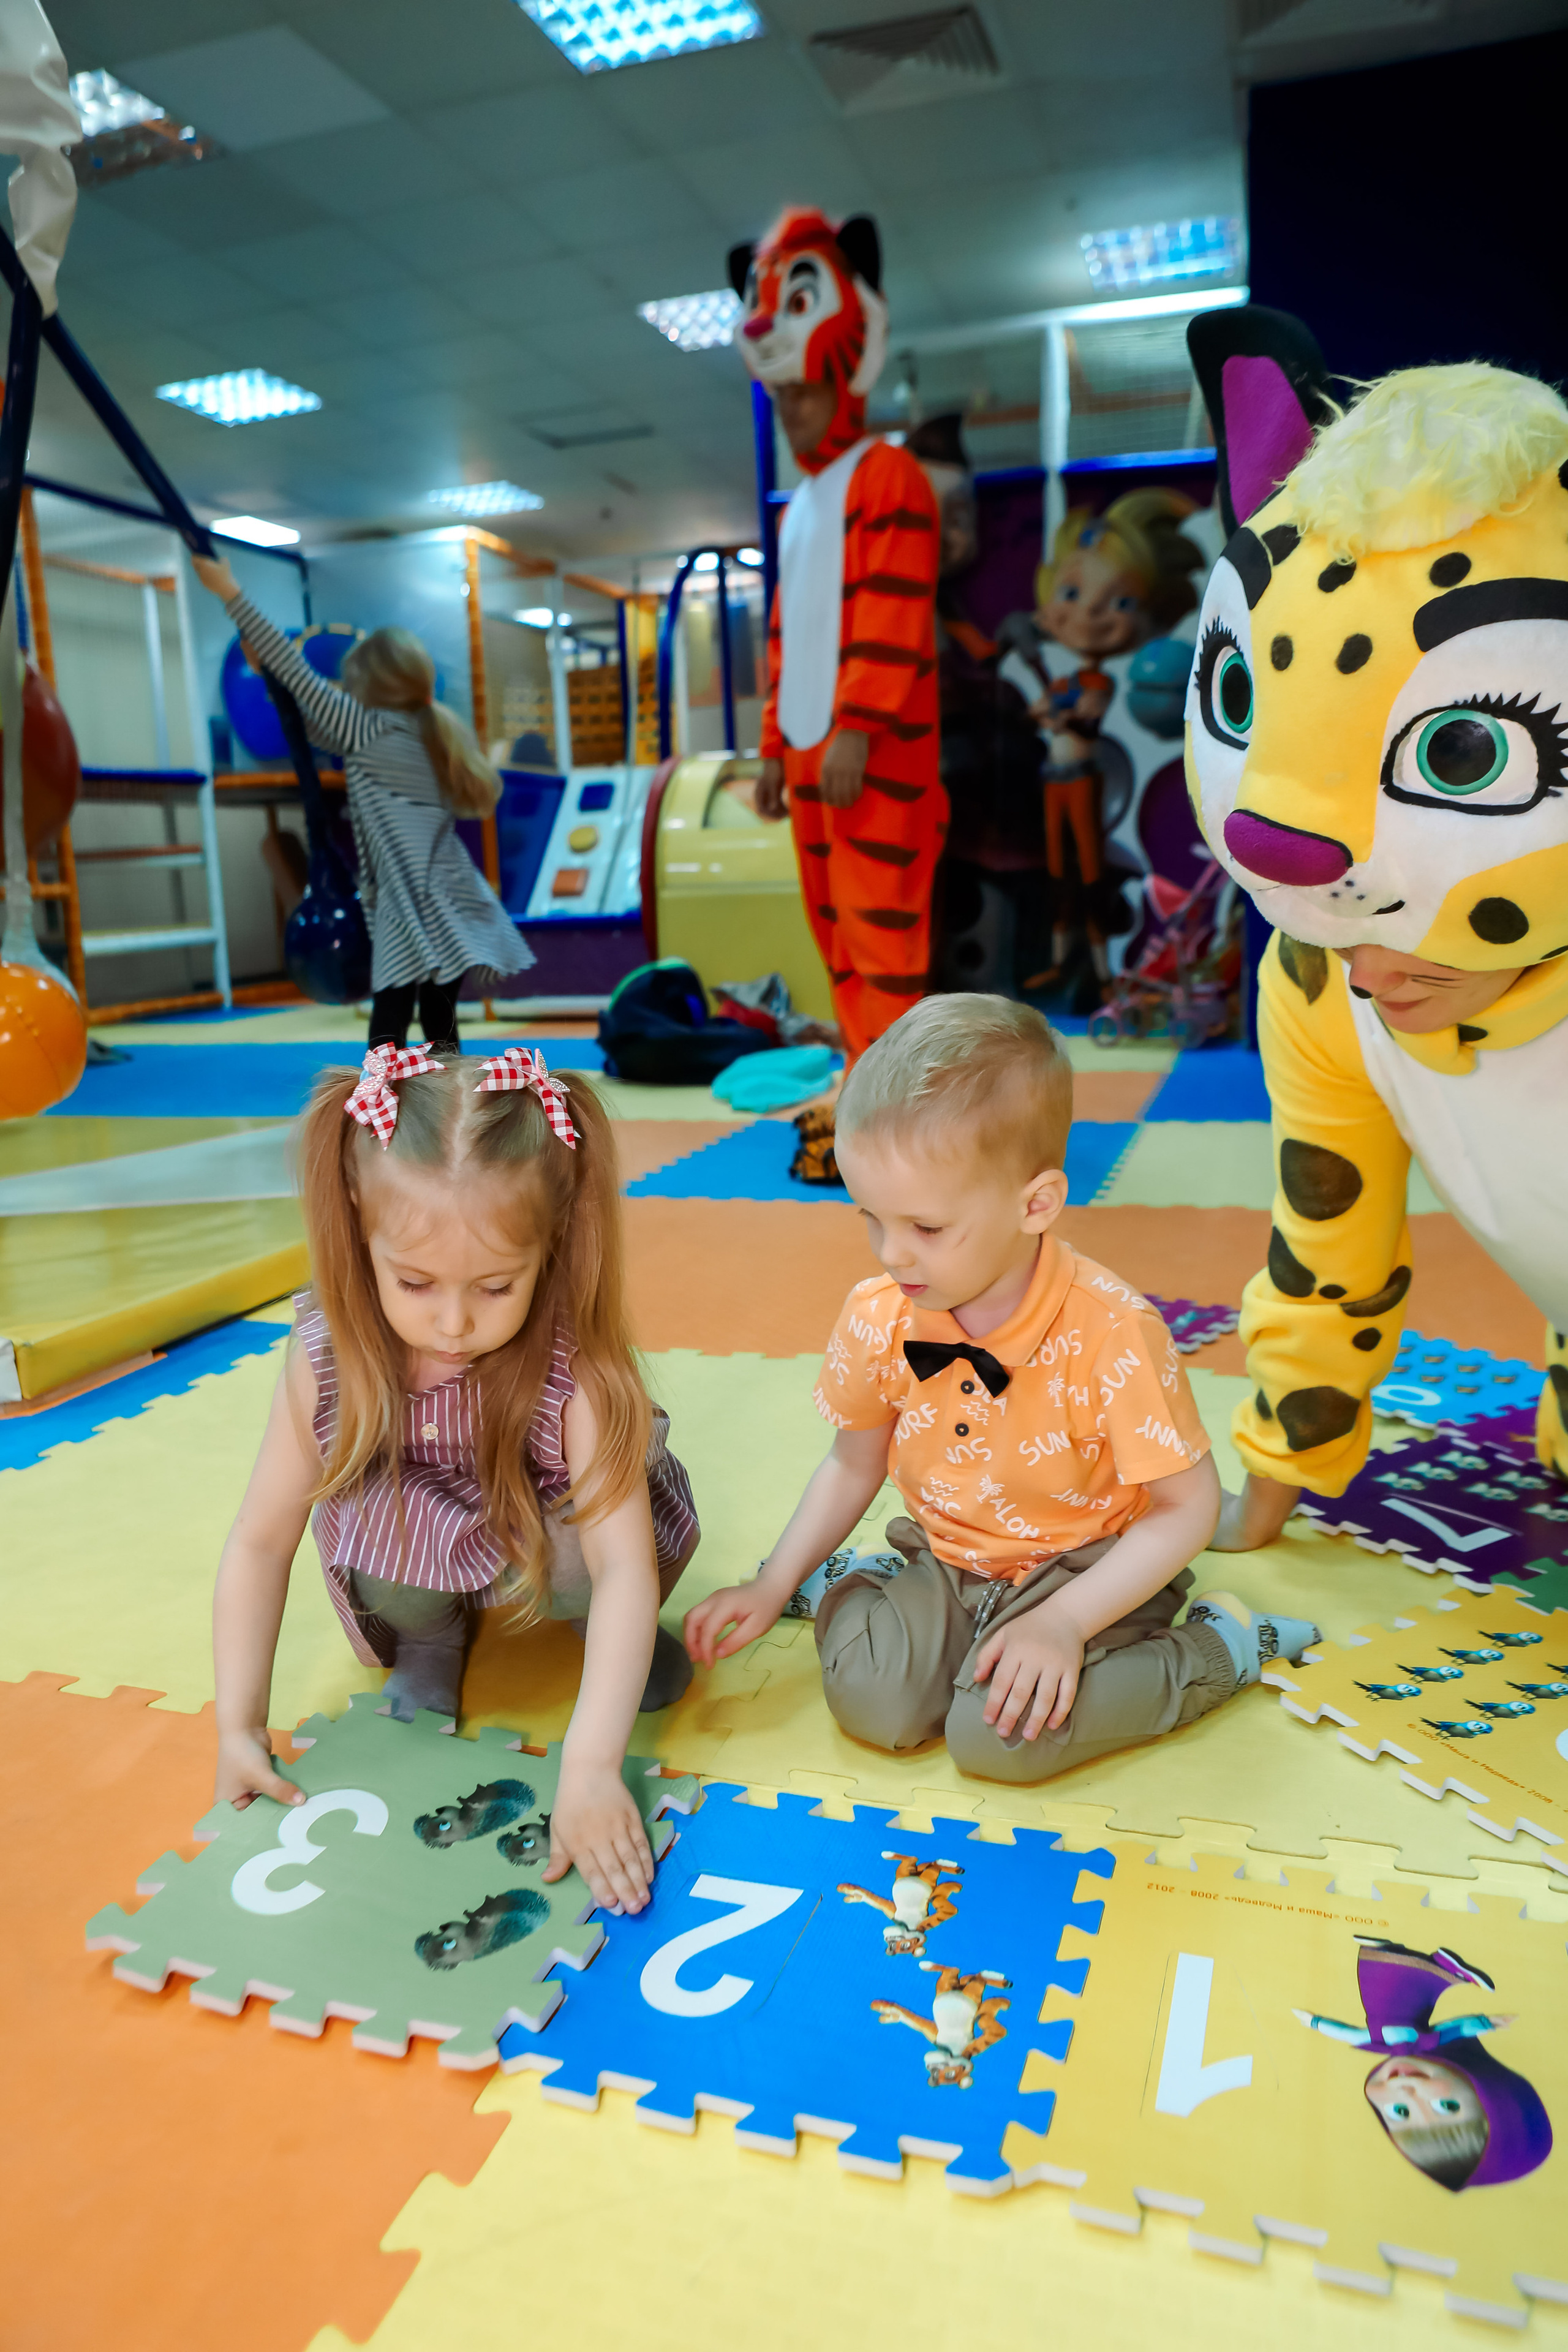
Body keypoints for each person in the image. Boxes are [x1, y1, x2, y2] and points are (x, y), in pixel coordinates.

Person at [684, 995, 1317, 1781]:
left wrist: (1063, 1622)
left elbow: (1186, 1511)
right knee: (874, 1709)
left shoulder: (1115, 1331)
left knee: (999, 1740)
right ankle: (866, 1580)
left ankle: (1220, 1647)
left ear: (1036, 1203)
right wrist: (773, 1580)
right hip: (946, 1556)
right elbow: (853, 1464)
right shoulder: (881, 1314)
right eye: (869, 1218)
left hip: (1089, 1570)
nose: (891, 1254)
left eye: (925, 1228)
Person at [1172, 315, 1568, 1548]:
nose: (1310, 866)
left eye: (1466, 752)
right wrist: (1271, 1482)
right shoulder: (1317, 979)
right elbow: (1325, 1243)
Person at [210, 1043, 698, 1914]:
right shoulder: (330, 1353)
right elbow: (258, 1538)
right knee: (358, 1503)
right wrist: (239, 1726)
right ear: (358, 1219)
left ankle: (603, 1644)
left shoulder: (572, 1365)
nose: (454, 1321)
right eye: (416, 1281)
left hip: (553, 1543)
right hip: (426, 1544)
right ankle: (433, 1642)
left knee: (596, 1565)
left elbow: (626, 1563)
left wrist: (589, 1769)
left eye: (496, 1286)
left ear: (550, 1245)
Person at [727, 207, 944, 1074]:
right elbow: (790, 636)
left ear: (843, 375)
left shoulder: (889, 475)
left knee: (883, 933)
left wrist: (854, 725)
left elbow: (890, 613)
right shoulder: (803, 507)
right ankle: (867, 1080)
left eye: (802, 395)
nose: (791, 413)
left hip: (874, 759)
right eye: (780, 400)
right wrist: (776, 749)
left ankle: (898, 1107)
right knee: (836, 939)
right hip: (816, 761)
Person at [192, 553, 532, 1052]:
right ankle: (440, 1107)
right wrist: (271, 679)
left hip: (413, 902)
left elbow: (298, 674)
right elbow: (305, 710)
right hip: (451, 898)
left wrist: (231, 594)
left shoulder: (368, 730)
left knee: (389, 1026)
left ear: (367, 687)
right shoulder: (425, 728)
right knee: (437, 1024)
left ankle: (385, 1111)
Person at [997, 493, 1205, 1000]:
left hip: (1090, 788)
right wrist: (1048, 709)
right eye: (1070, 594)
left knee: (1091, 876)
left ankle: (1106, 972)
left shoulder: (1101, 682)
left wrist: (1059, 712)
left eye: (1121, 602)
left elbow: (1086, 724)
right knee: (1058, 878)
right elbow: (1036, 715)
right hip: (1055, 787)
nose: (1089, 613)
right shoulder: (1057, 676)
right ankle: (1060, 962)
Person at [1298, 1939, 1551, 2191]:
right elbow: (1454, 2029)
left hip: (1380, 1987)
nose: (1408, 2092)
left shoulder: (1378, 2042)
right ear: (1480, 2082)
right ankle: (1444, 1968)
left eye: (1400, 2112)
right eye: (1447, 2106)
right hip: (1417, 1990)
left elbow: (1349, 2034)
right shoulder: (1426, 2041)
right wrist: (1485, 2023)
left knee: (1379, 1974)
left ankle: (1380, 1951)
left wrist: (1314, 2022)